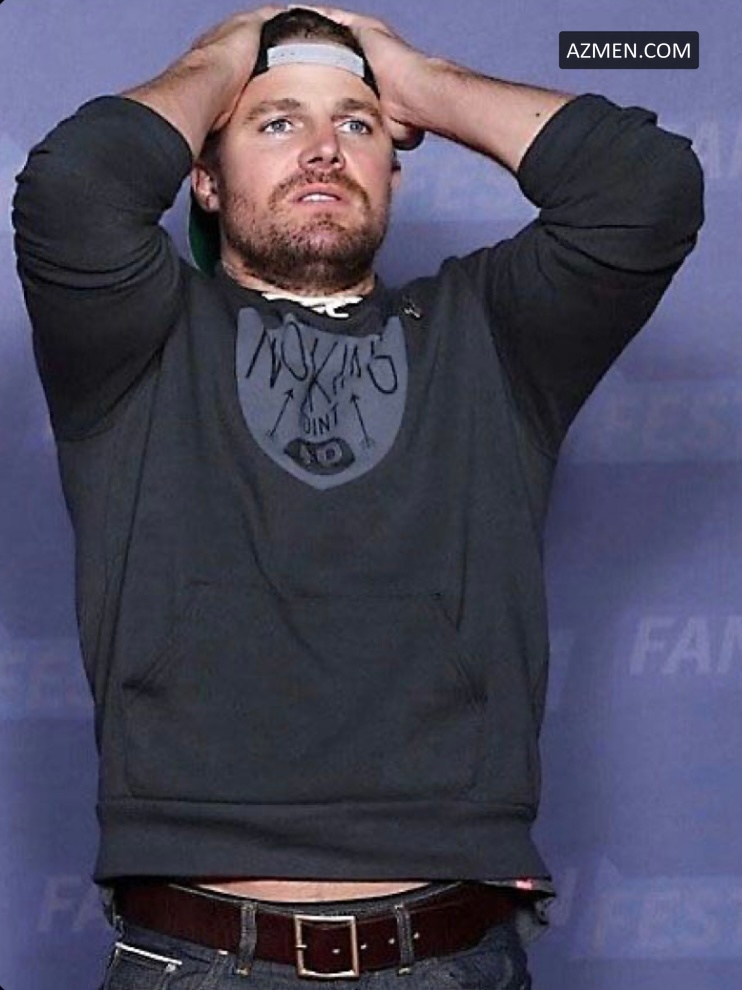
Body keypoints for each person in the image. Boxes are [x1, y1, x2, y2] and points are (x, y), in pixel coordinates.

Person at [13, 5, 703, 988]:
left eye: (356, 124)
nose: (324, 150)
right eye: (277, 122)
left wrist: (416, 78)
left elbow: (648, 189)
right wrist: (225, 57)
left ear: (395, 168)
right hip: (198, 961)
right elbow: (72, 187)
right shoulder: (137, 337)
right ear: (203, 178)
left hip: (452, 958)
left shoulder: (491, 335)